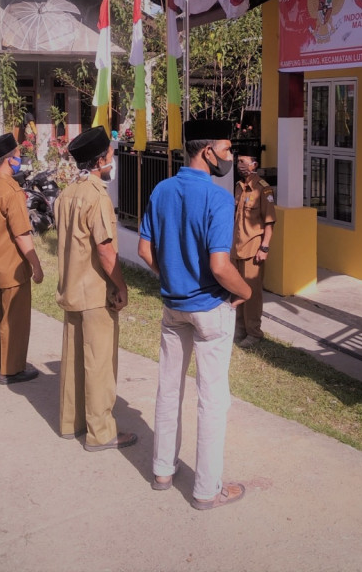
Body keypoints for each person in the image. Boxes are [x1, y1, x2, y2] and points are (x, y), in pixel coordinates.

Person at [138, 119, 252, 509]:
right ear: (208, 151)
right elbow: (220, 266)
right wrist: (247, 290)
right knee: (212, 398)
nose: (230, 156)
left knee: (169, 390)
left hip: (174, 306)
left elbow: (144, 251)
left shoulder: (162, 189)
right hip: (210, 309)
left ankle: (162, 470)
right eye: (227, 148)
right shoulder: (218, 198)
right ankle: (207, 490)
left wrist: (172, 275)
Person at [55, 126, 136, 451]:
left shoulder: (68, 192)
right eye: (111, 155)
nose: (112, 160)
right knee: (99, 363)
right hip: (94, 293)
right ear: (101, 159)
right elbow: (105, 249)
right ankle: (101, 432)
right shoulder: (96, 195)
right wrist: (121, 285)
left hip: (71, 289)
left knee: (74, 360)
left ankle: (70, 422)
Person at [0, 133, 44, 382]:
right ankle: (11, 368)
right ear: (8, 160)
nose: (19, 159)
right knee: (14, 317)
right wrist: (35, 264)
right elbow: (21, 233)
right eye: (17, 155)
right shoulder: (11, 190)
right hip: (12, 264)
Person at [232, 144, 276, 348]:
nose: (239, 165)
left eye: (243, 161)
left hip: (253, 250)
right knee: (237, 290)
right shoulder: (239, 187)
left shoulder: (263, 190)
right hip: (237, 249)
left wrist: (264, 247)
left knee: (251, 293)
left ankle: (254, 333)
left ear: (254, 164)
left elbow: (269, 222)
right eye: (238, 161)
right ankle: (239, 329)